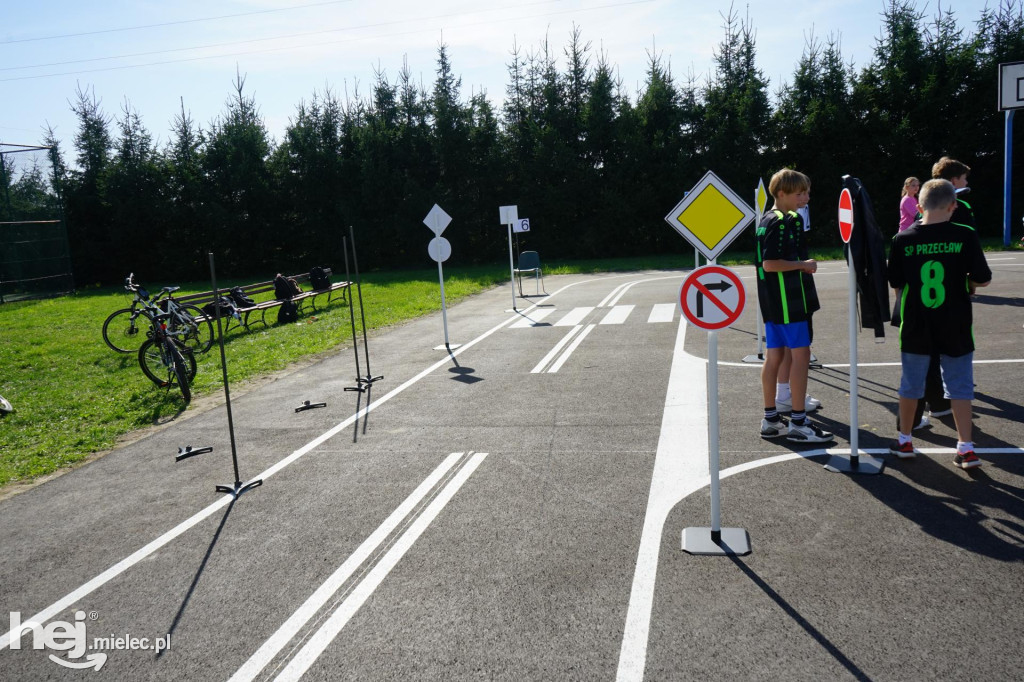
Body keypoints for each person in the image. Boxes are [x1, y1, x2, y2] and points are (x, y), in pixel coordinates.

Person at [887, 179, 992, 468]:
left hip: (917, 322)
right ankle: (966, 447)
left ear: (918, 206)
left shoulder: (902, 239)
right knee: (959, 385)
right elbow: (982, 277)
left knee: (911, 384)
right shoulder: (965, 234)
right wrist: (968, 282)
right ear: (953, 206)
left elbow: (897, 283)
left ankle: (905, 441)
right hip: (955, 320)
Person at [756, 169, 832, 443]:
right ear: (781, 194)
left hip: (773, 303)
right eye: (800, 193)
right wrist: (803, 264)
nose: (806, 198)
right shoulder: (780, 221)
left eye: (807, 192)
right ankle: (798, 422)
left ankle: (770, 418)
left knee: (774, 356)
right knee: (801, 356)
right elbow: (770, 263)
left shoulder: (768, 219)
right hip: (788, 301)